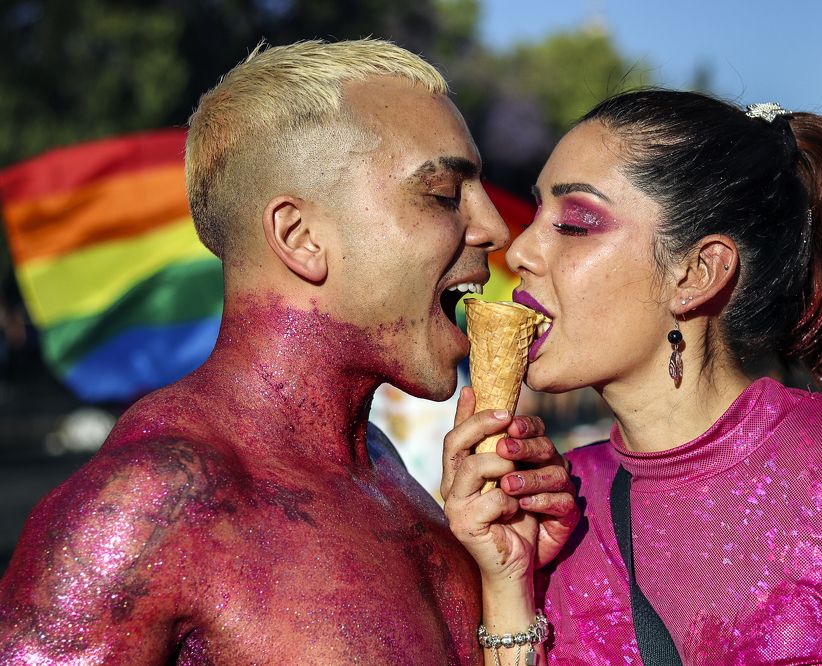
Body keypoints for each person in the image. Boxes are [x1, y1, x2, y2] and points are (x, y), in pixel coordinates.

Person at [0, 39, 576, 664]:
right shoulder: (148, 505)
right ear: (299, 236)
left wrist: (508, 586)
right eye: (441, 194)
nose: (494, 229)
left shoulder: (386, 473)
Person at [443, 90, 822, 665]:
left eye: (576, 223)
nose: (523, 248)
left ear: (697, 273)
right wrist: (508, 583)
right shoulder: (552, 506)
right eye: (536, 215)